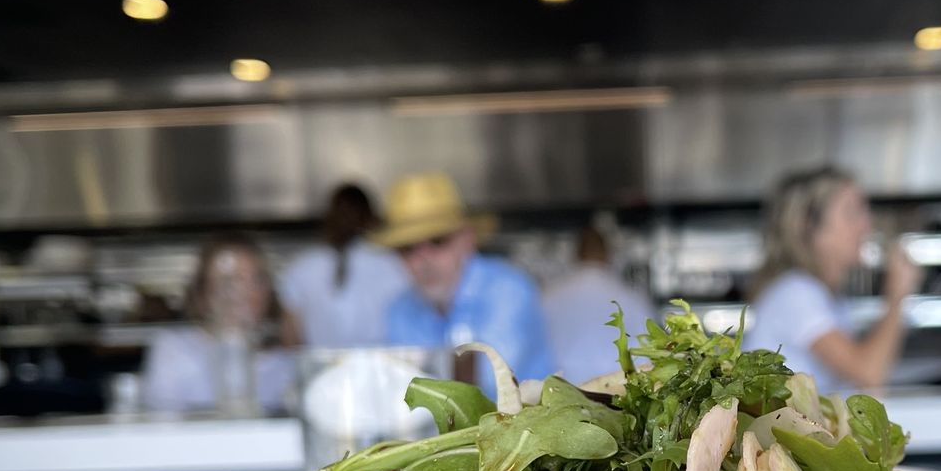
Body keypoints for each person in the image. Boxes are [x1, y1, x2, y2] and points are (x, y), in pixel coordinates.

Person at [742, 166, 921, 393]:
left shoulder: (826, 296)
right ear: (811, 227)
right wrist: (896, 296)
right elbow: (869, 373)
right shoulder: (795, 292)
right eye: (851, 213)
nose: (866, 225)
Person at [379, 172, 553, 392]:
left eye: (437, 241)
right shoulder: (400, 309)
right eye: (408, 248)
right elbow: (401, 392)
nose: (423, 259)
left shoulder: (509, 289)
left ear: (468, 238)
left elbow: (488, 383)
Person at [141, 235, 298, 414]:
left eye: (257, 280)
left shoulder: (284, 362)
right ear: (202, 293)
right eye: (229, 281)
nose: (246, 293)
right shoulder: (173, 350)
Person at [276, 184, 413, 349]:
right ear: (370, 218)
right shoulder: (394, 264)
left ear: (329, 218)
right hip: (381, 369)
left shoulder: (301, 268)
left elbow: (290, 339)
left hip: (320, 372)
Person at [540, 225, 656, 384]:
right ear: (609, 254)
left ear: (575, 254)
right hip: (617, 393)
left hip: (563, 391)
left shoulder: (549, 296)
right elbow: (649, 349)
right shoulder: (632, 297)